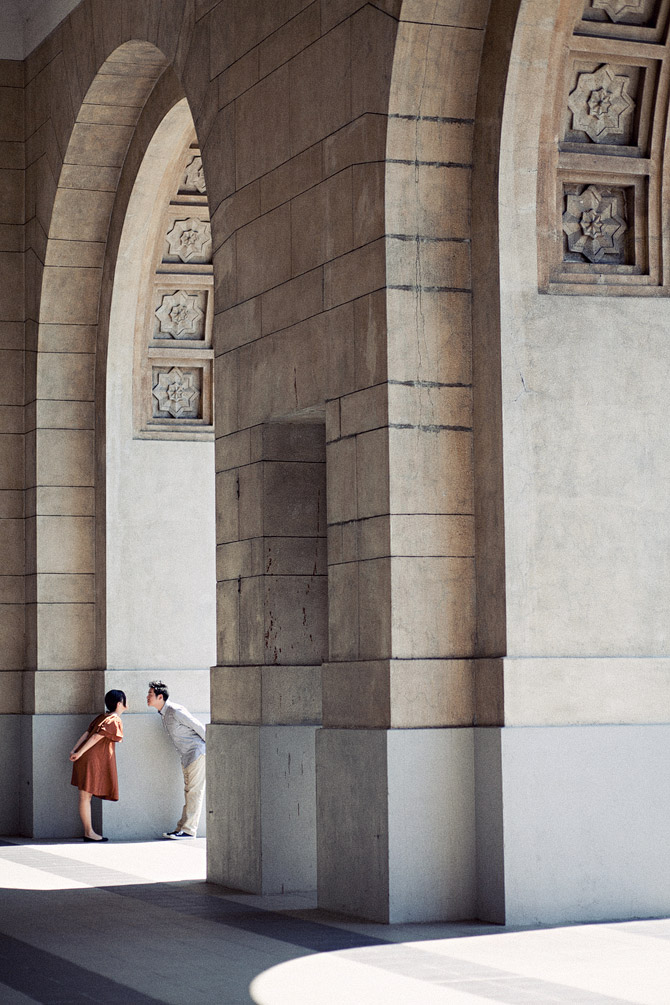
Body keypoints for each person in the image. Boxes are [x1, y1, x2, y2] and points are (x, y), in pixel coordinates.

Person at [147, 680, 206, 839]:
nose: (147, 697)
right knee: (189, 792)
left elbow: (199, 727)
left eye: (150, 694)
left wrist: (211, 748)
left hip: (196, 754)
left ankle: (188, 830)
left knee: (194, 792)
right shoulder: (164, 714)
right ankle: (182, 828)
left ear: (160, 697)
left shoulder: (175, 710)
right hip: (186, 757)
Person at [69, 689, 127, 842]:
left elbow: (87, 734)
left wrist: (76, 749)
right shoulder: (114, 720)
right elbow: (95, 737)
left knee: (84, 797)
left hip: (85, 758)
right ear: (120, 704)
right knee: (85, 797)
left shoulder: (102, 717)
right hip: (92, 760)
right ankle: (89, 833)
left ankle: (89, 832)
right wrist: (79, 753)